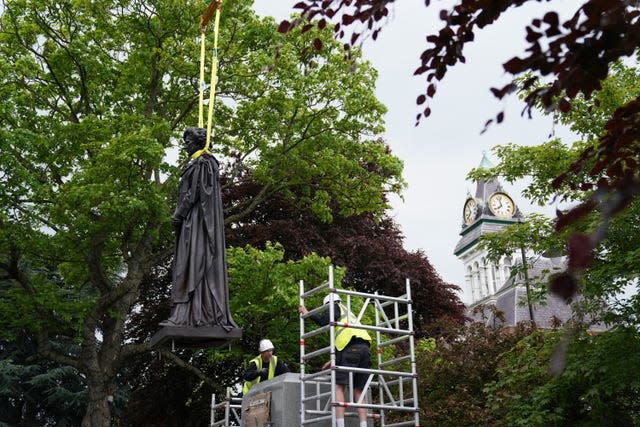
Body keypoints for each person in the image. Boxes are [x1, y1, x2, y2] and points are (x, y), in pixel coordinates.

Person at [161, 127, 237, 330]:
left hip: (196, 222)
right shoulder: (198, 163)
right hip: (190, 222)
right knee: (187, 263)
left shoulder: (204, 163)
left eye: (189, 141)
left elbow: (195, 192)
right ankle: (185, 312)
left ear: (199, 142)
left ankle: (192, 313)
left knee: (193, 262)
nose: (186, 146)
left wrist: (179, 214)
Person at [299, 294, 371, 427]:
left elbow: (324, 321)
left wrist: (307, 313)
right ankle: (363, 425)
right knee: (359, 391)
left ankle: (340, 424)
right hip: (365, 350)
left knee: (338, 387)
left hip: (351, 349)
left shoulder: (334, 306)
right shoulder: (348, 312)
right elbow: (348, 341)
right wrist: (333, 361)